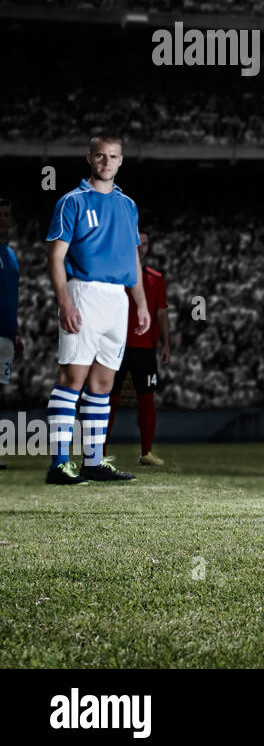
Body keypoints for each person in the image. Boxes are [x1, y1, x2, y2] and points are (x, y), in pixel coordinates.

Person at [44, 135, 150, 484]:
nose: (107, 161)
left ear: (121, 161)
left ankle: (93, 460)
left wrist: (141, 303)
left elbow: (133, 258)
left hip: (117, 298)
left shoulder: (128, 204)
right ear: (89, 158)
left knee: (103, 384)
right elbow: (56, 256)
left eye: (114, 156)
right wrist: (65, 301)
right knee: (71, 379)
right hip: (84, 293)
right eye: (101, 156)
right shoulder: (71, 201)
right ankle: (59, 463)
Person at [106, 231, 169, 466]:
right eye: (137, 244)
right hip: (116, 345)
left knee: (147, 399)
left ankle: (146, 452)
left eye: (145, 244)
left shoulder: (156, 278)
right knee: (108, 398)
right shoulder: (115, 275)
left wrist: (166, 342)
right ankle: (98, 453)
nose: (141, 248)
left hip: (145, 348)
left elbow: (161, 312)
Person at [0, 197, 22, 469]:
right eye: (0, 214)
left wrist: (15, 332)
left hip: (5, 335)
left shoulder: (10, 254)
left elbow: (9, 298)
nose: (4, 219)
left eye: (7, 214)